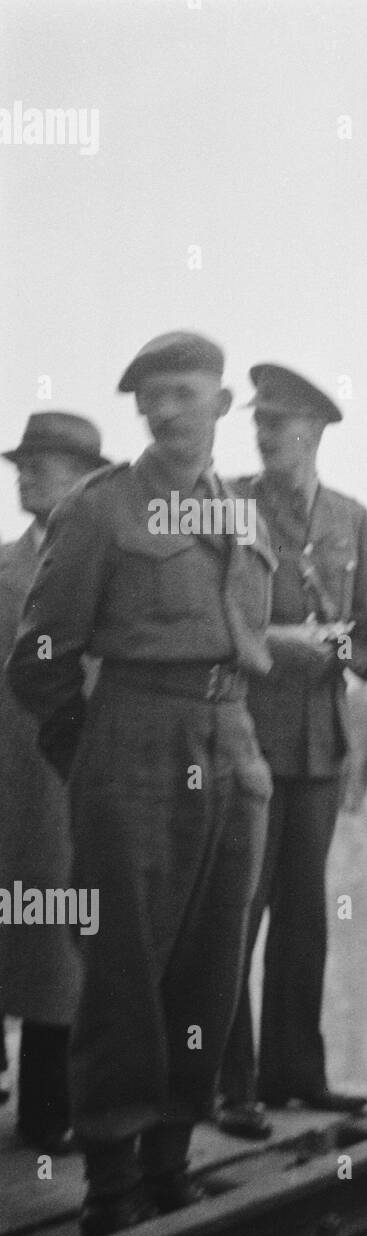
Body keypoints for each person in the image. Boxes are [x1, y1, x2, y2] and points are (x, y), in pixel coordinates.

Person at [7, 331, 276, 1236]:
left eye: (183, 394)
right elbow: (40, 656)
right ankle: (112, 1183)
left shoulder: (241, 513)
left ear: (221, 403)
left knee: (209, 967)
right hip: (133, 741)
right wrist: (88, 754)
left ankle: (169, 1163)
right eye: (150, 398)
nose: (165, 412)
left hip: (231, 744)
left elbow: (250, 634)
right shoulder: (101, 508)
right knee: (123, 969)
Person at [216, 364, 367, 1140]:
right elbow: (218, 621)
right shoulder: (228, 506)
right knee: (236, 914)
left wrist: (342, 644)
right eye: (259, 421)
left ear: (314, 430)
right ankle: (226, 1084)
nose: (262, 432)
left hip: (319, 744)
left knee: (304, 916)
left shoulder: (351, 515)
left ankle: (295, 1074)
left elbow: (366, 625)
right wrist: (281, 641)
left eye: (277, 422)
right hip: (247, 735)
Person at [0, 414, 111, 1152]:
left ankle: (48, 1110)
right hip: (5, 777)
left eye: (46, 463)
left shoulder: (107, 561)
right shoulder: (1, 567)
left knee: (57, 941)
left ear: (84, 479)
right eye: (24, 463)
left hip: (69, 772)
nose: (27, 473)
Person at [343, 678, 367, 812]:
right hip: (356, 738)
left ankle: (358, 802)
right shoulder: (353, 696)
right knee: (355, 772)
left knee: (364, 772)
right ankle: (353, 803)